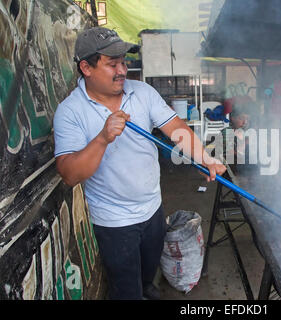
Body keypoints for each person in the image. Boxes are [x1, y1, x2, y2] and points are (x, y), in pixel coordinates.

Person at [53, 27, 225, 300]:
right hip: (114, 222)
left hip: (153, 209)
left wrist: (206, 158)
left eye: (123, 61)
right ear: (86, 67)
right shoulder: (70, 111)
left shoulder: (142, 92)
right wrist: (102, 138)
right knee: (126, 290)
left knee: (147, 276)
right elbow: (70, 174)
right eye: (112, 64)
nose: (122, 70)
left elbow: (176, 128)